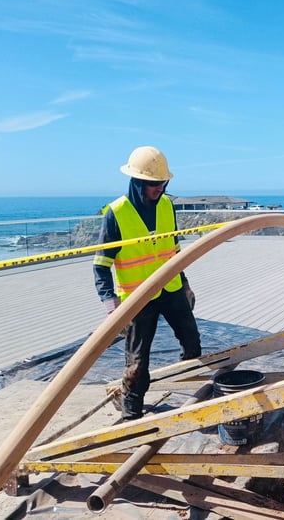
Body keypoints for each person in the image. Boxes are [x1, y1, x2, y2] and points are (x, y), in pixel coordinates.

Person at [93, 146, 201, 420]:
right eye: (154, 184)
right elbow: (101, 265)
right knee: (137, 363)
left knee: (192, 343)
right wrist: (112, 308)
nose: (160, 189)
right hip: (138, 298)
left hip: (171, 287)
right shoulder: (116, 213)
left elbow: (174, 250)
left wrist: (185, 283)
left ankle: (186, 392)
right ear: (137, 182)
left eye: (163, 183)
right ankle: (132, 413)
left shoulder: (166, 206)